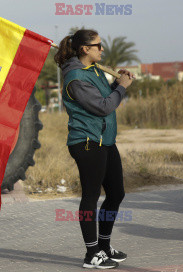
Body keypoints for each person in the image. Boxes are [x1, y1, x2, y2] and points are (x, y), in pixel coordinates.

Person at [54, 29, 134, 269]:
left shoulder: (94, 71)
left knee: (116, 193)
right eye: (97, 45)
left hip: (105, 141)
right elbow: (103, 107)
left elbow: (107, 97)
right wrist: (122, 88)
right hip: (87, 142)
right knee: (90, 197)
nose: (102, 49)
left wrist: (117, 82)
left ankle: (104, 245)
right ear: (84, 49)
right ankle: (91, 254)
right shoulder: (76, 77)